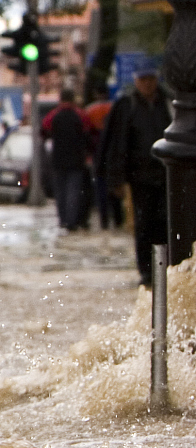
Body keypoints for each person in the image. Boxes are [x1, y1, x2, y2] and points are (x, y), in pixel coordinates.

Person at [101, 65, 173, 285]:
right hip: (139, 178)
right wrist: (116, 180)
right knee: (143, 225)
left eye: (151, 79)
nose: (147, 84)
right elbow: (116, 143)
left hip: (167, 176)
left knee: (165, 224)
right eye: (143, 80)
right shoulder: (126, 106)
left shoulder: (168, 103)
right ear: (137, 82)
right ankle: (147, 271)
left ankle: (166, 269)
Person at [42, 88, 91, 230]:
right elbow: (88, 134)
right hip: (76, 159)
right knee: (73, 191)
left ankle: (63, 219)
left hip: (58, 159)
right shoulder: (80, 114)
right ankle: (71, 221)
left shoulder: (53, 115)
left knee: (60, 192)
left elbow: (44, 131)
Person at [84, 95, 122, 228]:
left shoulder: (90, 110)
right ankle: (118, 220)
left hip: (98, 158)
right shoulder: (114, 109)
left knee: (102, 193)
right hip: (112, 160)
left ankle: (104, 221)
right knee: (115, 192)